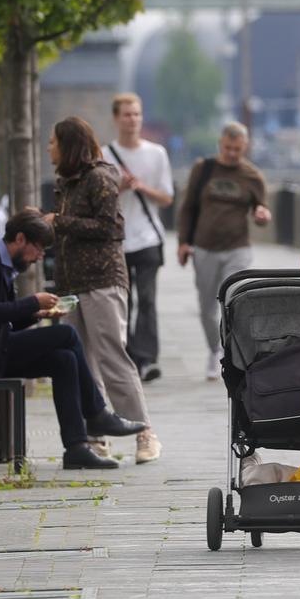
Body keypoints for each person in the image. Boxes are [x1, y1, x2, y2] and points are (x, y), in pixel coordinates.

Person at [0, 208, 146, 469]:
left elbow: (8, 318)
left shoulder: (1, 264)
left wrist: (38, 312)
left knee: (63, 360)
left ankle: (76, 447)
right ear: (20, 239)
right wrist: (33, 300)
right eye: (39, 248)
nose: (40, 257)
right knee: (66, 333)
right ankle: (97, 414)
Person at [47, 116, 162, 464]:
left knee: (113, 356)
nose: (49, 148)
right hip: (70, 284)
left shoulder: (101, 176)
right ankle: (95, 437)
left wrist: (60, 222)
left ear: (69, 145)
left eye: (53, 142)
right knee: (82, 364)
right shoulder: (64, 181)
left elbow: (110, 227)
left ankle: (144, 433)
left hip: (102, 280)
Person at [176, 122, 271, 381]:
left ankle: (232, 354)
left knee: (234, 301)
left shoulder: (252, 176)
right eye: (228, 148)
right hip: (204, 246)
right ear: (220, 144)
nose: (231, 154)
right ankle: (213, 349)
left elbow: (260, 209)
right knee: (207, 307)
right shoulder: (203, 169)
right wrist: (183, 242)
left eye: (237, 149)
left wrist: (262, 215)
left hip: (237, 248)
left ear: (245, 147)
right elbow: (188, 207)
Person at [103, 93, 174, 383]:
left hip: (148, 237)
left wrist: (143, 188)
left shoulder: (156, 153)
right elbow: (98, 198)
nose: (132, 120)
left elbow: (167, 197)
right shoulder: (105, 155)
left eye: (136, 114)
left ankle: (147, 359)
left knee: (147, 299)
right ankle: (126, 357)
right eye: (127, 115)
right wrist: (118, 188)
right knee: (123, 301)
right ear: (116, 119)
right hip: (117, 239)